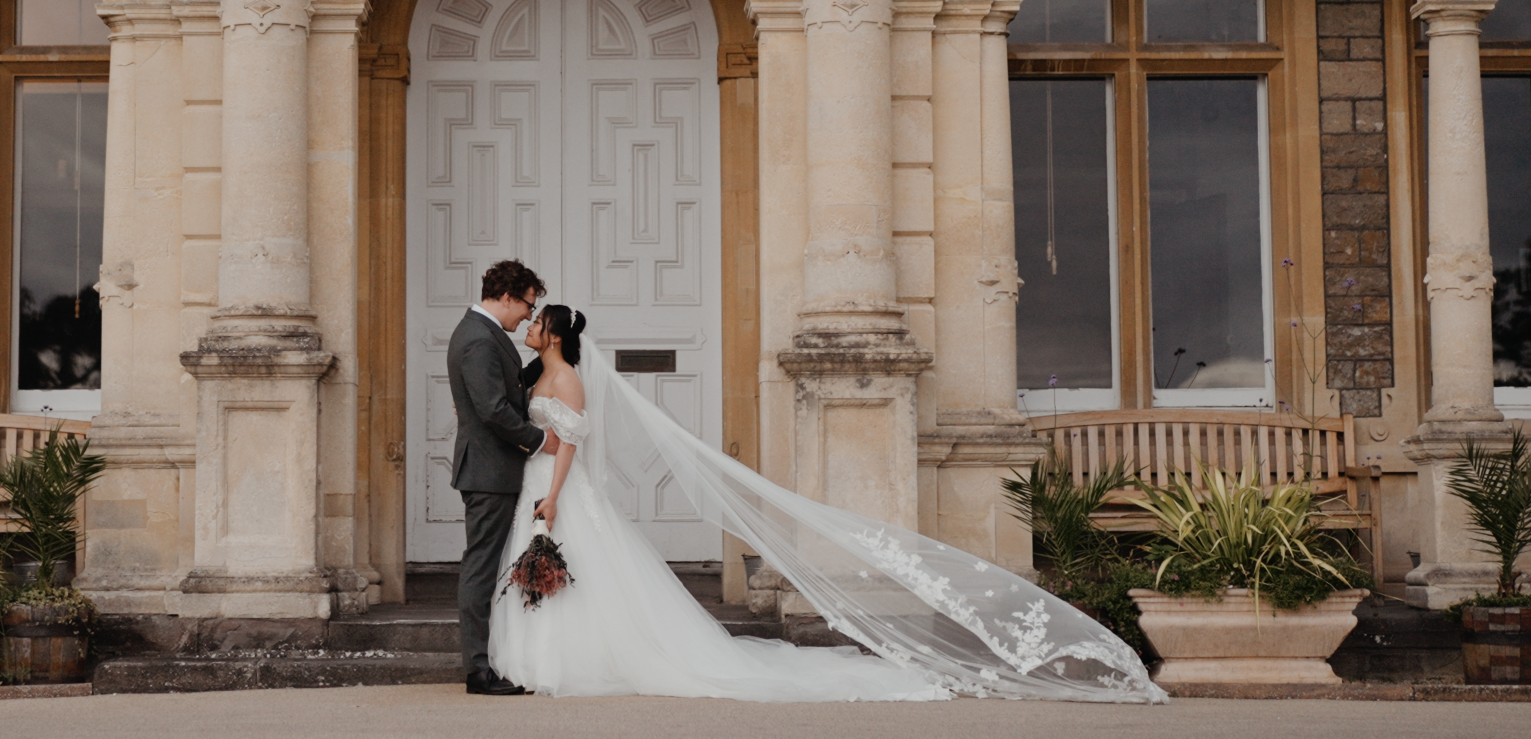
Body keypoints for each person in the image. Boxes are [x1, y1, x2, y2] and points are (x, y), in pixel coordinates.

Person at [486, 303, 1167, 704]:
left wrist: (551, 498)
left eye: (538, 321)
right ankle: (536, 661)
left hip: (556, 491)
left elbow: (570, 441)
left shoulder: (568, 377)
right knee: (562, 576)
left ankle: (567, 662)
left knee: (579, 573)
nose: (532, 327)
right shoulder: (539, 371)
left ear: (556, 334)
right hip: (538, 488)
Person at [446, 259, 547, 696]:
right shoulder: (478, 340)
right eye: (527, 304)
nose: (528, 314)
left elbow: (505, 389)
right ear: (506, 296)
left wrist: (548, 359)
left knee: (486, 565)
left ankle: (487, 662)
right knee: (481, 568)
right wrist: (540, 440)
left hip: (492, 469)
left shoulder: (483, 334)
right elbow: (493, 409)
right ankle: (477, 671)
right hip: (488, 471)